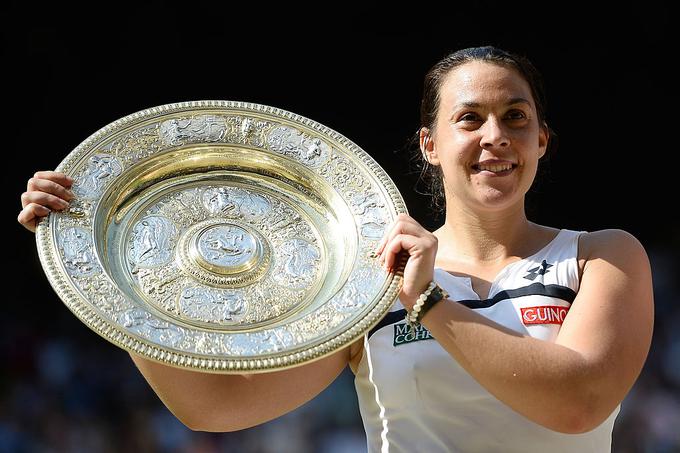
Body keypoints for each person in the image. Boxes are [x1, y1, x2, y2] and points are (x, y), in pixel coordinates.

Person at [18, 46, 654, 452]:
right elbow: (214, 408)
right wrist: (109, 270)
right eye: (469, 118)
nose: (495, 136)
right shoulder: (370, 276)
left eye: (515, 117)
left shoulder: (602, 256)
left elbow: (580, 403)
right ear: (430, 144)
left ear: (543, 139)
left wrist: (428, 303)